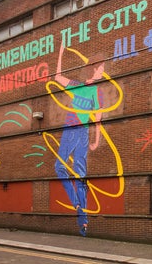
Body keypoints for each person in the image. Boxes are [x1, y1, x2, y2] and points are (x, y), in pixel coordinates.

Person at [53, 44, 104, 236]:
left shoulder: (97, 92)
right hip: (69, 130)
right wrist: (60, 52)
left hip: (80, 132)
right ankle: (77, 204)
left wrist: (96, 141)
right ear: (93, 68)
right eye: (101, 69)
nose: (102, 73)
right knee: (60, 168)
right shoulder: (77, 86)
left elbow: (97, 118)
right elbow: (57, 77)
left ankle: (83, 221)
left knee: (80, 175)